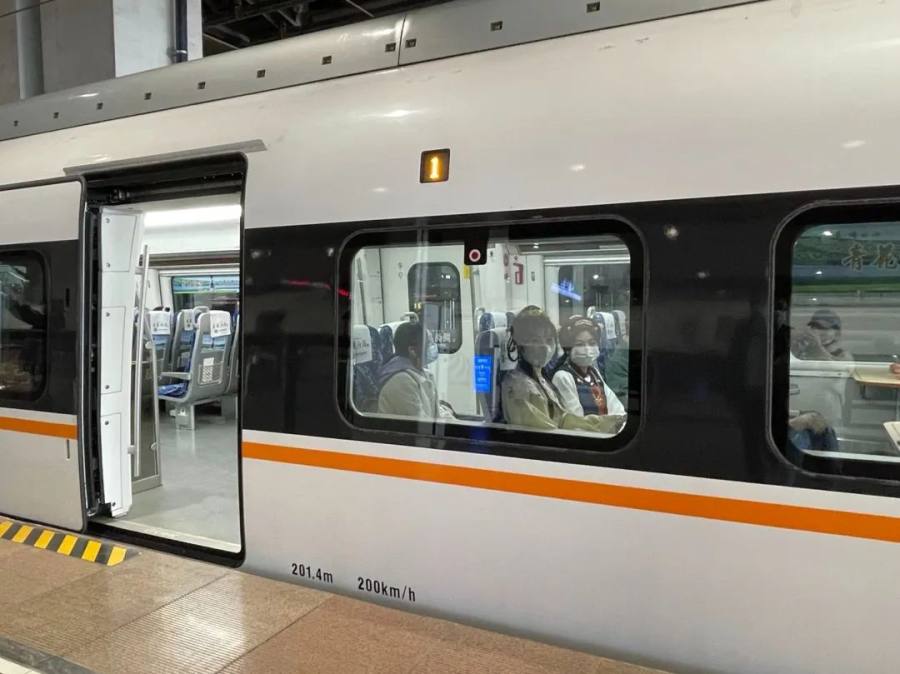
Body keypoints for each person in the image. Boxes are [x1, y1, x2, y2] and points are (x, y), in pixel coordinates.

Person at [500, 306, 625, 434]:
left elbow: (563, 419)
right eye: (535, 340)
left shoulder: (542, 380)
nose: (544, 346)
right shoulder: (517, 387)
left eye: (549, 340)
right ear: (520, 345)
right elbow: (545, 433)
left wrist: (607, 422)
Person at [552, 316, 625, 417]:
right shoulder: (562, 377)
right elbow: (576, 419)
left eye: (592, 343)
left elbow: (615, 406)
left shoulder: (594, 372)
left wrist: (618, 419)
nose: (587, 348)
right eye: (579, 344)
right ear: (568, 349)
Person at [377, 320, 451, 419]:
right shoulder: (401, 382)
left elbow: (436, 412)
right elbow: (421, 423)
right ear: (412, 350)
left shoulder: (424, 373)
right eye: (428, 344)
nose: (432, 347)